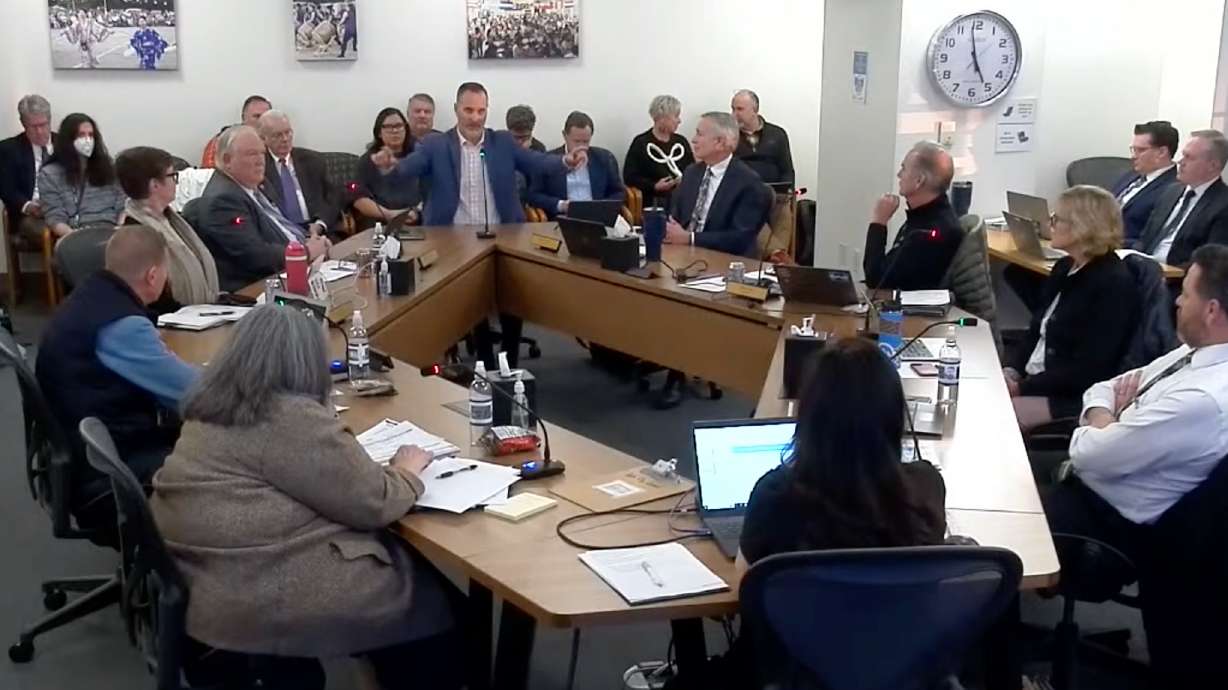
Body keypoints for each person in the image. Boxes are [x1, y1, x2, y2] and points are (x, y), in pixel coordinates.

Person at [151, 305, 461, 689]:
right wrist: (408, 470)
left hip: (213, 579)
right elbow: (374, 501)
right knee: (438, 603)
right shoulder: (286, 416)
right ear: (304, 363)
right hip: (261, 591)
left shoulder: (212, 405)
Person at [667, 337, 946, 690]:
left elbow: (745, 588)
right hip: (897, 670)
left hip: (790, 673)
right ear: (895, 416)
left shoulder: (776, 494)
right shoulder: (926, 487)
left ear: (809, 415)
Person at [1044, 245, 1228, 597]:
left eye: (1185, 294)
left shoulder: (1204, 400)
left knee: (994, 535)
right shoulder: (1194, 352)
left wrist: (1109, 418)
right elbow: (1104, 387)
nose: (1175, 302)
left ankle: (994, 645)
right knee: (998, 475)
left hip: (1107, 524)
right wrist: (1108, 418)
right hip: (1093, 484)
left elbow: (1090, 456)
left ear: (1211, 310)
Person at [371, 82, 585, 369]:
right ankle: (483, 360)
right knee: (472, 303)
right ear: (457, 110)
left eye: (481, 111)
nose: (475, 117)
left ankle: (510, 361)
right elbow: (408, 169)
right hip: (453, 238)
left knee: (514, 295)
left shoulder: (502, 143)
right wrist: (390, 165)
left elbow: (536, 162)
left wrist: (565, 161)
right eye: (469, 110)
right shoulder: (435, 145)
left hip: (503, 234)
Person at [36, 226, 198, 527]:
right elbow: (194, 393)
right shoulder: (122, 327)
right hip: (107, 473)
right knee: (222, 456)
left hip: (89, 452)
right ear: (153, 276)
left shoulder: (91, 299)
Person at [1003, 186, 1139, 431]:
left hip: (1072, 394)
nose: (1049, 224)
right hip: (1036, 380)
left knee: (995, 415)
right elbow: (1036, 331)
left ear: (1083, 226)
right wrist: (1011, 371)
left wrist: (1021, 388)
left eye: (1056, 219)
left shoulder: (1113, 284)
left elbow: (1089, 369)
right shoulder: (1064, 267)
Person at [190, 125, 329, 292]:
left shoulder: (258, 187)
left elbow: (281, 227)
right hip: (258, 289)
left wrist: (312, 239)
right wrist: (304, 252)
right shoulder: (222, 201)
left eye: (262, 153)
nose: (260, 160)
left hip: (296, 270)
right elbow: (255, 255)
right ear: (227, 160)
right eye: (251, 154)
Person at [116, 146, 220, 309]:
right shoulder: (136, 234)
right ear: (155, 185)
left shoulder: (172, 218)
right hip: (173, 321)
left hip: (203, 312)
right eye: (173, 175)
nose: (175, 181)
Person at [664, 111, 771, 256]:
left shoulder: (749, 183)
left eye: (699, 134)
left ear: (720, 142)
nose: (693, 140)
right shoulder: (691, 173)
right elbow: (675, 216)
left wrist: (691, 238)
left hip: (723, 260)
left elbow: (740, 238)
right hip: (681, 253)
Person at [863, 141, 964, 290]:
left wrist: (879, 222)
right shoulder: (925, 216)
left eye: (903, 169)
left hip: (911, 310)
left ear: (919, 181)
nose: (899, 175)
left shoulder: (928, 232)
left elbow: (876, 280)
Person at [1136, 130, 1228, 268]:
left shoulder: (1223, 203)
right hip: (1145, 269)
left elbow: (1210, 263)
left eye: (1189, 157)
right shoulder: (1171, 191)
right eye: (1182, 155)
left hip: (1175, 278)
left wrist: (1165, 273)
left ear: (1213, 165)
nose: (1180, 162)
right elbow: (1145, 238)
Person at [38, 112, 126, 238]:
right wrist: (76, 239)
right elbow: (55, 218)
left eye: (91, 135)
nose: (87, 140)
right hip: (75, 235)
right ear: (68, 139)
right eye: (81, 135)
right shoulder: (49, 174)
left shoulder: (109, 168)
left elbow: (123, 205)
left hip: (111, 232)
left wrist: (120, 230)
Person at [257, 110, 343, 238]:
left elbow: (334, 196)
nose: (285, 139)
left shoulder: (313, 160)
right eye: (277, 135)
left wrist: (320, 223)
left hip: (317, 229)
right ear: (263, 139)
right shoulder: (259, 167)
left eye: (288, 132)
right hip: (282, 235)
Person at [529, 111, 626, 220]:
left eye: (585, 141)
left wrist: (601, 207)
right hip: (563, 218)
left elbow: (618, 192)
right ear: (565, 136)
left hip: (597, 218)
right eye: (576, 141)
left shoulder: (604, 158)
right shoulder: (549, 160)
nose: (581, 146)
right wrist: (561, 205)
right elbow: (534, 195)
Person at [0, 95, 57, 258]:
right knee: (52, 235)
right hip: (30, 216)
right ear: (23, 124)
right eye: (33, 127)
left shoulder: (64, 144)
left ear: (50, 120)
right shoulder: (8, 150)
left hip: (64, 211)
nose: (39, 132)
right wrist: (28, 206)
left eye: (43, 125)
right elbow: (6, 189)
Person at [354, 108, 421, 231]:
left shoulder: (419, 154)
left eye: (399, 126)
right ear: (379, 132)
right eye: (388, 127)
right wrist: (389, 214)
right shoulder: (368, 160)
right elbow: (357, 197)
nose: (394, 131)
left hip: (419, 221)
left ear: (406, 129)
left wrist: (417, 212)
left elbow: (435, 189)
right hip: (381, 223)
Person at [1113, 121, 1179, 244]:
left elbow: (1149, 237)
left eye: (1141, 150)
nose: (1133, 156)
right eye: (1133, 149)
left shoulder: (1173, 188)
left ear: (1162, 152)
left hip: (1122, 248)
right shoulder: (1131, 175)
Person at [623, 95, 694, 208]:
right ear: (662, 118)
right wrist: (654, 186)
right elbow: (630, 177)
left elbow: (692, 169)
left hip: (682, 198)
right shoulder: (641, 143)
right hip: (654, 201)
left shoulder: (681, 142)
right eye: (676, 116)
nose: (679, 121)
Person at [731, 89, 795, 188]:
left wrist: (786, 194)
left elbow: (787, 171)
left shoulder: (777, 134)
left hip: (773, 195)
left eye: (740, 109)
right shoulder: (729, 135)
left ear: (755, 110)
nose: (734, 114)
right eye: (733, 109)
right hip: (741, 195)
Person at [201, 95, 271, 168]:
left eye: (266, 117)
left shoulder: (278, 142)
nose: (262, 121)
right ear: (243, 117)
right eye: (257, 116)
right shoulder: (222, 142)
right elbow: (210, 174)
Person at [505, 104, 546, 203]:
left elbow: (539, 184)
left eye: (524, 137)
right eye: (516, 137)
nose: (519, 142)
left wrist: (526, 155)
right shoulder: (499, 146)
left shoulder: (539, 148)